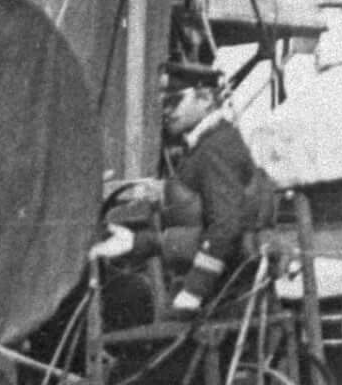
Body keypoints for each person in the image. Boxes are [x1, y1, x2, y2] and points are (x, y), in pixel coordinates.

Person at [92, 89, 281, 319]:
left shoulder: (215, 148)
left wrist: (194, 290)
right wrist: (136, 242)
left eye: (174, 100)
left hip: (226, 299)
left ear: (206, 100)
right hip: (223, 292)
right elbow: (194, 227)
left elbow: (226, 225)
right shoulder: (207, 144)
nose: (166, 110)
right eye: (162, 102)